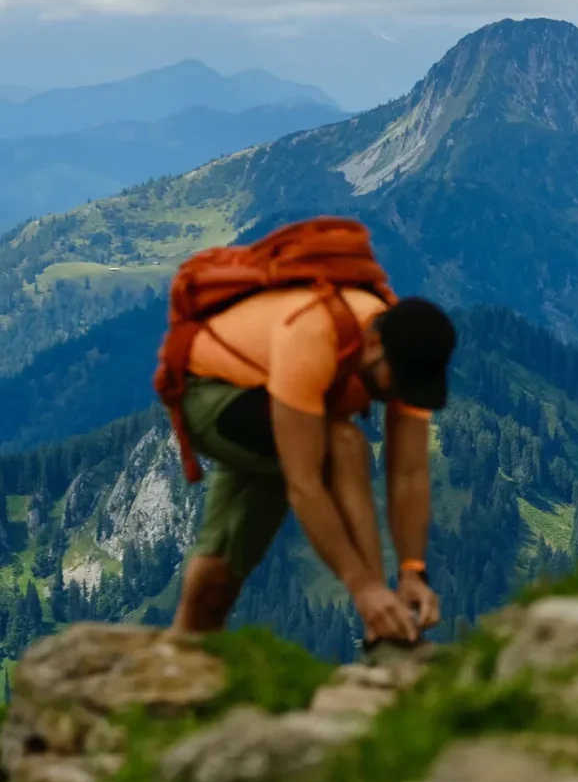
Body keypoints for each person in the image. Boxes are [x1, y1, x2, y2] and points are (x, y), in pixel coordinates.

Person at [162, 254, 458, 647]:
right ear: (372, 345)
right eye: (400, 382)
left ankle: (181, 653)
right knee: (345, 444)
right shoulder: (315, 333)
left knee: (219, 573)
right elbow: (305, 484)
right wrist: (365, 588)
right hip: (209, 392)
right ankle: (379, 627)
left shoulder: (408, 359)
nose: (404, 394)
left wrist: (412, 571)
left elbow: (409, 473)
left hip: (275, 401)